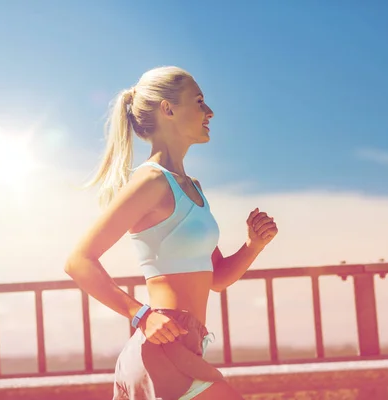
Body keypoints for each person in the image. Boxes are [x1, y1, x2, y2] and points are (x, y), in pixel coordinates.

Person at [64, 66, 278, 400]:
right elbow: (79, 261)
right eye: (200, 101)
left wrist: (253, 245)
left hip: (186, 346)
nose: (210, 112)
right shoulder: (151, 182)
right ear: (168, 108)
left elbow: (217, 278)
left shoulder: (192, 188)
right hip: (161, 350)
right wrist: (141, 316)